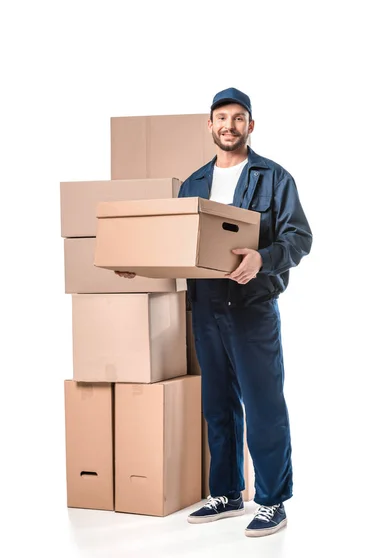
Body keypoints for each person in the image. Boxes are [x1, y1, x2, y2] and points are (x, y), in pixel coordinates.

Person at [116, 87, 312, 538]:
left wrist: (263, 258)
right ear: (209, 125)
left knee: (263, 404)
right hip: (204, 306)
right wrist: (138, 264)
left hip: (251, 307)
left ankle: (272, 500)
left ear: (251, 125)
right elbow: (175, 244)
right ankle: (225, 493)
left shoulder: (274, 177)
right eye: (221, 118)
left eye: (238, 118)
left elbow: (299, 238)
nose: (229, 125)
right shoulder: (194, 184)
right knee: (217, 404)